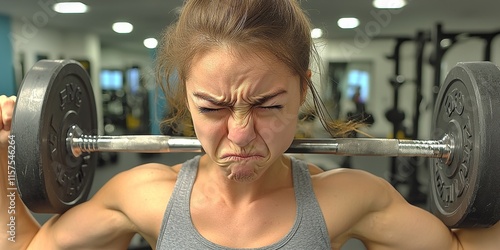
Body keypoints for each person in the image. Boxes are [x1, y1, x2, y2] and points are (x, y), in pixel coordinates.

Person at [1, 0, 500, 249]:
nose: (240, 134)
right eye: (213, 108)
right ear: (185, 99)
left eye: (267, 105)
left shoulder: (349, 196)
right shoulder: (143, 195)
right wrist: (2, 158)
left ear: (303, 89)